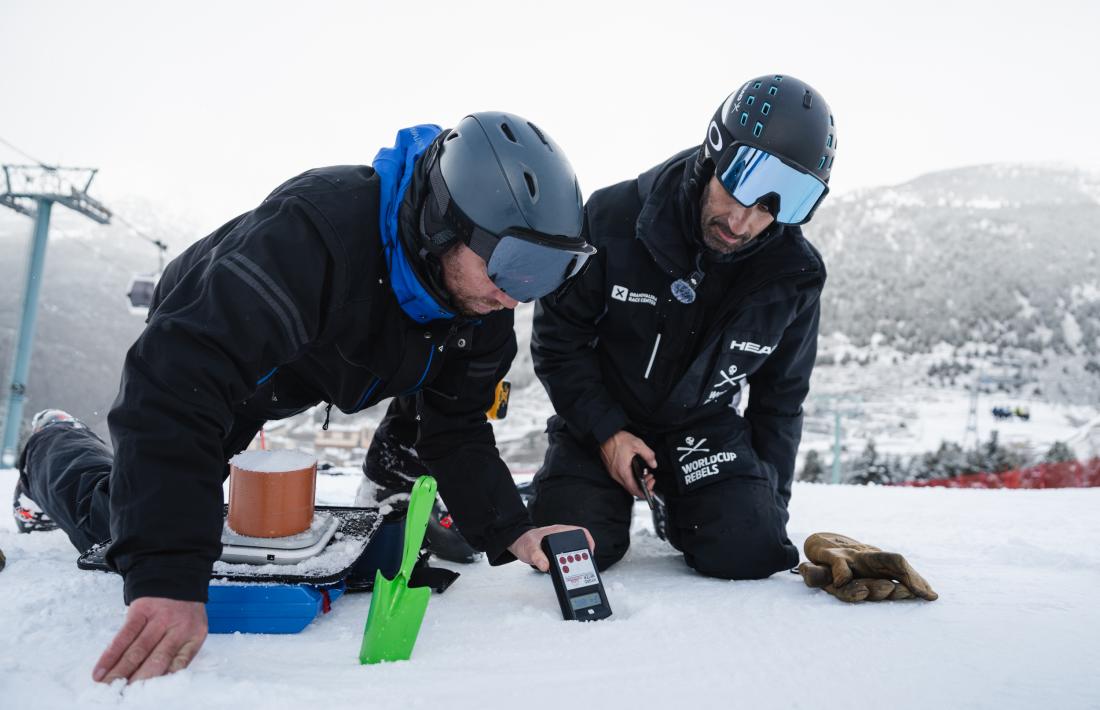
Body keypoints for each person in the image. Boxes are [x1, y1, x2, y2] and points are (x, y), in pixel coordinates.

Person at [12, 112, 596, 684]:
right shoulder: (315, 236)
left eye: (550, 271)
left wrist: (513, 530)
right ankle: (51, 445)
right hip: (219, 355)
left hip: (318, 367)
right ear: (445, 222)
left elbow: (456, 427)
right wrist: (166, 578)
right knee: (119, 526)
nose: (519, 296)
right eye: (515, 262)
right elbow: (173, 385)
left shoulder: (483, 305)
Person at [527, 74, 937, 601]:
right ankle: (557, 490)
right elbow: (558, 344)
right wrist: (607, 432)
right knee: (575, 548)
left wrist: (768, 508)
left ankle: (683, 506)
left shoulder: (793, 276)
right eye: (738, 184)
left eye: (772, 207)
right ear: (712, 155)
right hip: (600, 416)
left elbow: (780, 399)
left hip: (701, 428)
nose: (742, 222)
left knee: (752, 551)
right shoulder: (610, 221)